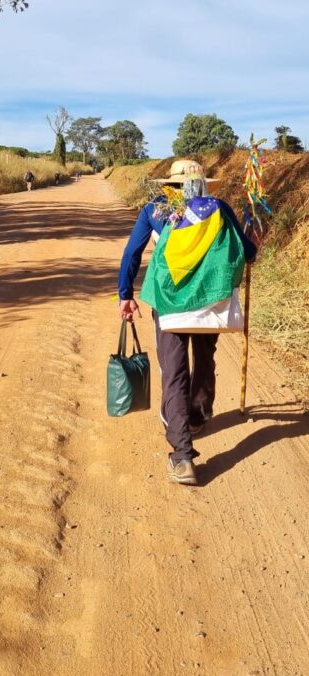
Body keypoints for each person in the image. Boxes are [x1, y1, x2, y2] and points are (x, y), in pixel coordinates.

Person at [118, 159, 257, 487]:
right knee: (205, 359)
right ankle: (198, 416)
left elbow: (132, 254)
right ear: (203, 182)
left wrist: (126, 293)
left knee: (174, 371)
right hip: (211, 301)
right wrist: (252, 239)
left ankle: (182, 456)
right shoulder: (219, 207)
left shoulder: (155, 210)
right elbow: (248, 253)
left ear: (172, 184)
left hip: (170, 304)